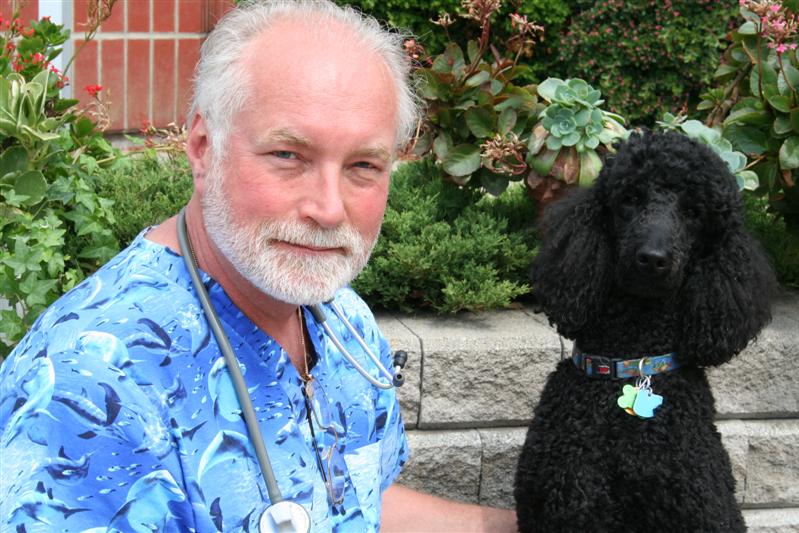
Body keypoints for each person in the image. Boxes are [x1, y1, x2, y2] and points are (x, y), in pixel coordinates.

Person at [0, 1, 517, 531]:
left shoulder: (343, 321)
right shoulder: (90, 385)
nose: (329, 208)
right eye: (288, 156)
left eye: (363, 165)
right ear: (203, 147)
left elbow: (358, 507)